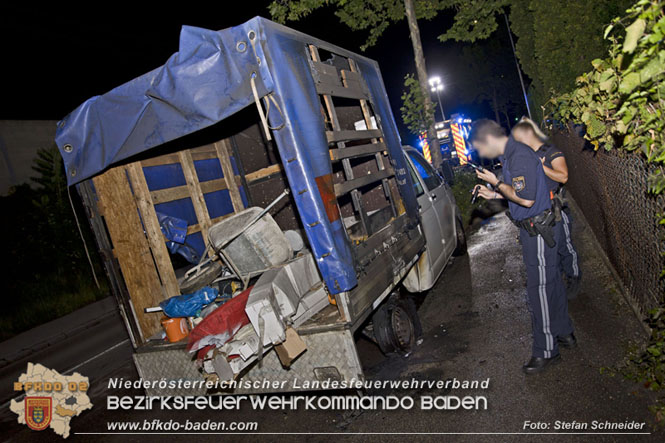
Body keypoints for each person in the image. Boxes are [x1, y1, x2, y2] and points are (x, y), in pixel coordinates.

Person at [469, 119, 575, 374]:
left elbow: (526, 200)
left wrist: (497, 183)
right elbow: (530, 190)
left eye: (479, 148)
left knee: (539, 290)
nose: (481, 154)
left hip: (537, 231)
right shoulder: (514, 154)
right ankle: (564, 333)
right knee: (552, 284)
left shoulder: (518, 156)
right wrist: (494, 194)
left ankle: (546, 350)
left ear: (488, 140)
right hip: (542, 226)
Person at [512, 118, 581, 299]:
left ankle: (574, 277)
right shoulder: (527, 157)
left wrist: (541, 167)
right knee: (550, 251)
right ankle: (557, 283)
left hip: (556, 210)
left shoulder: (551, 152)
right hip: (539, 213)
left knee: (565, 247)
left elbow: (563, 176)